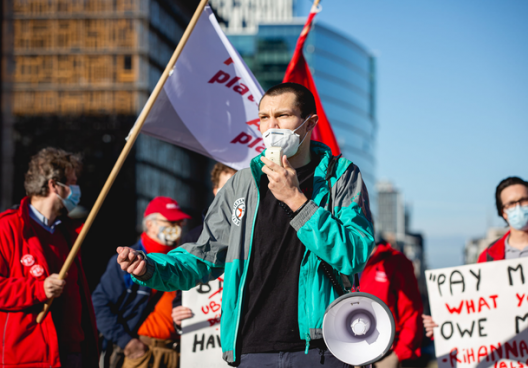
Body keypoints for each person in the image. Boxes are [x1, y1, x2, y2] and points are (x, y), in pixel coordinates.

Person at [116, 82, 374, 367]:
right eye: (264, 117)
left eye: (283, 116)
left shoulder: (340, 176)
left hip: (319, 347)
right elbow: (202, 257)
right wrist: (151, 267)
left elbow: (354, 254)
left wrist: (297, 201)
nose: (271, 126)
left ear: (310, 122)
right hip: (252, 348)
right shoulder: (242, 183)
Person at [0, 147, 99, 368]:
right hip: (30, 356)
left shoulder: (69, 233)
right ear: (55, 185)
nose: (76, 189)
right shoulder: (8, 228)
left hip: (73, 353)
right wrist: (37, 289)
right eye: (72, 182)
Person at [423, 176, 528, 337]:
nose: (518, 207)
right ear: (503, 212)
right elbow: (475, 306)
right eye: (511, 204)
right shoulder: (488, 257)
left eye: (524, 200)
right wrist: (442, 324)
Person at [92, 197, 192, 368]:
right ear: (150, 224)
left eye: (180, 222)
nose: (178, 227)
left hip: (180, 353)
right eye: (171, 221)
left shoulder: (184, 260)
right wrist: (127, 343)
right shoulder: (128, 261)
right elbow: (99, 304)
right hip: (143, 354)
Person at [172, 162, 237, 330]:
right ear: (216, 192)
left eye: (239, 186)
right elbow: (184, 291)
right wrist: (179, 315)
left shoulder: (262, 232)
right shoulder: (193, 238)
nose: (234, 193)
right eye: (227, 187)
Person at [359, 241, 423, 368]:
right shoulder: (339, 261)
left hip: (385, 356)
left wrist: (398, 354)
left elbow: (412, 311)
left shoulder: (396, 261)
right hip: (348, 354)